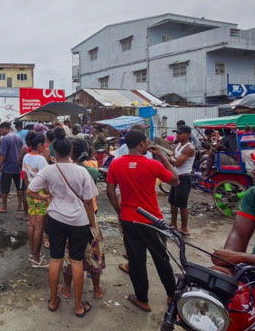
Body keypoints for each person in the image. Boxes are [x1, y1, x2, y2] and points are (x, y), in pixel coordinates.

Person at [105, 129, 179, 313]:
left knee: (136, 261)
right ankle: (172, 295)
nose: (147, 145)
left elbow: (110, 191)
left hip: (129, 219)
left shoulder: (116, 164)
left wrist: (120, 211)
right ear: (140, 145)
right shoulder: (152, 164)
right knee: (161, 258)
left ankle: (142, 299)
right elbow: (176, 180)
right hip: (151, 219)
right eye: (146, 142)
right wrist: (162, 156)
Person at [27, 137, 99, 317]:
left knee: (55, 260)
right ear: (71, 151)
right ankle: (78, 306)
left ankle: (53, 301)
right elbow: (89, 201)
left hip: (56, 218)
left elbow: (30, 191)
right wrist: (92, 223)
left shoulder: (48, 170)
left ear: (55, 153)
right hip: (79, 221)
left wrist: (46, 198)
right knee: (77, 261)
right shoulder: (82, 172)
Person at [213, 143, 255, 274]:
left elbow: (238, 255)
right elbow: (239, 234)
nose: (253, 171)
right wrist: (227, 267)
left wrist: (240, 257)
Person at [60, 137, 106, 300]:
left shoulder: (60, 170)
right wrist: (93, 225)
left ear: (70, 152)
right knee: (94, 254)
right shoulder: (91, 171)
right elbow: (88, 200)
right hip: (88, 217)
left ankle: (66, 288)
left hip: (68, 218)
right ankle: (97, 289)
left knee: (69, 254)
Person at [23, 133, 50, 268]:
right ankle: (36, 258)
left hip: (31, 193)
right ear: (39, 145)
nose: (45, 146)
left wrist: (29, 189)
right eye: (44, 143)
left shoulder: (26, 156)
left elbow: (26, 177)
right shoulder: (41, 160)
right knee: (39, 227)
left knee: (32, 225)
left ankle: (33, 253)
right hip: (40, 195)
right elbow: (46, 181)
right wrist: (49, 195)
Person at [169, 125, 196, 235]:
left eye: (180, 133)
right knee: (173, 202)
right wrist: (172, 158)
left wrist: (171, 159)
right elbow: (172, 157)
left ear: (188, 134)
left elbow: (177, 163)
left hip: (184, 177)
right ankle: (173, 223)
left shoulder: (189, 148)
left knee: (182, 204)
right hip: (176, 176)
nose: (178, 135)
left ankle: (184, 227)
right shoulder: (178, 145)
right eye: (177, 133)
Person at [0, 121, 24, 214]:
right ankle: (20, 205)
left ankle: (4, 207)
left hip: (7, 166)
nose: (1, 132)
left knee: (5, 188)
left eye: (1, 130)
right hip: (19, 166)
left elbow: (2, 154)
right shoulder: (18, 137)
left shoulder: (5, 139)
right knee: (20, 187)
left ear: (4, 128)